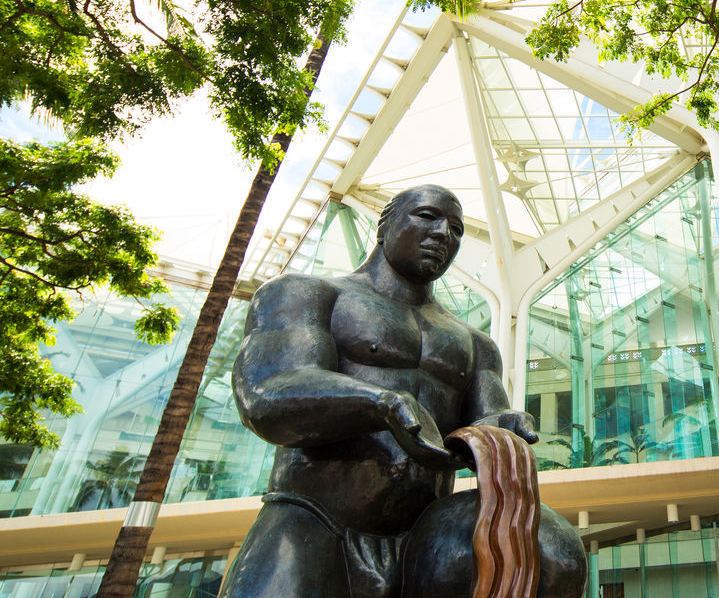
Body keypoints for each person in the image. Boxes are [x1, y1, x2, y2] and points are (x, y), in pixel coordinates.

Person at [221, 185, 584, 598]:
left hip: (424, 541)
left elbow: (487, 415)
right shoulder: (309, 294)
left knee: (553, 552)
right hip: (313, 522)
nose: (444, 233)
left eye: (457, 229)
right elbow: (267, 394)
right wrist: (379, 403)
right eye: (427, 216)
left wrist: (501, 428)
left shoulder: (475, 343)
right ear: (384, 224)